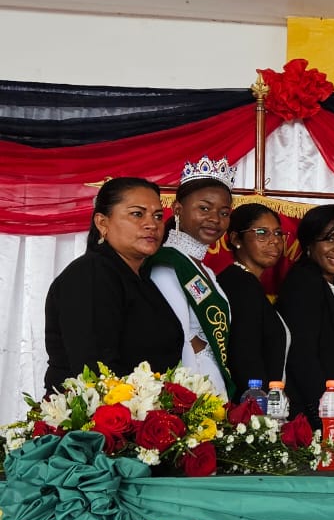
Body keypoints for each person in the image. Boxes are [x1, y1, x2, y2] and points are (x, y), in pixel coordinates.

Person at [44, 177, 183, 392]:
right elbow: (95, 371)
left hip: (146, 409)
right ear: (102, 223)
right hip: (99, 410)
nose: (152, 224)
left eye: (157, 216)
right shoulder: (91, 273)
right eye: (137, 214)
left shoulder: (141, 278)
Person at [148, 156, 235, 399]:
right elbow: (178, 338)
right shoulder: (167, 265)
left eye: (224, 212)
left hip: (212, 382)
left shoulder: (205, 270)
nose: (215, 219)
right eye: (204, 208)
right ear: (178, 209)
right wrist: (188, 399)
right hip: (189, 389)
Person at [275, 204, 334, 429]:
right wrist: (322, 417)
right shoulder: (305, 282)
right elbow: (302, 356)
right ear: (309, 243)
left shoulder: (333, 288)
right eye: (330, 239)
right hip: (315, 409)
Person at [217, 204, 290, 394]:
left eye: (278, 233)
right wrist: (258, 406)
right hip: (250, 403)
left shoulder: (245, 281)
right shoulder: (241, 285)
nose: (274, 241)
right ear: (236, 238)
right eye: (262, 233)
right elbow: (245, 356)